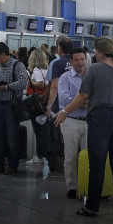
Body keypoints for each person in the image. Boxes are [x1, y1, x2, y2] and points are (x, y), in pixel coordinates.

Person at [54, 37, 113, 217]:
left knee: (97, 165)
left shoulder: (95, 69)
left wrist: (64, 111)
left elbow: (83, 95)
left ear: (100, 52)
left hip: (101, 119)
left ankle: (92, 207)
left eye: (95, 52)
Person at [0, 42, 28, 175]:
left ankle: (13, 166)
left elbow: (23, 82)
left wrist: (7, 87)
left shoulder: (17, 65)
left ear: (3, 54)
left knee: (12, 137)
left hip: (12, 105)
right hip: (0, 105)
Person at [57, 48, 89, 200]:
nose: (80, 63)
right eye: (76, 60)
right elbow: (65, 100)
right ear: (71, 62)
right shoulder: (65, 78)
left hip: (89, 122)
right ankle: (72, 187)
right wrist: (83, 102)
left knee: (89, 156)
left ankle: (88, 186)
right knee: (70, 157)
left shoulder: (91, 76)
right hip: (70, 121)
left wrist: (79, 101)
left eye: (82, 59)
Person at [45, 37, 73, 174]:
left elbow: (54, 86)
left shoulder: (57, 63)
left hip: (60, 107)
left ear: (59, 49)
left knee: (58, 137)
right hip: (75, 106)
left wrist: (48, 106)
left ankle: (59, 166)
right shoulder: (80, 61)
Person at [25, 47, 50, 166]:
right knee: (43, 130)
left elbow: (40, 84)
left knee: (38, 131)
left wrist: (30, 81)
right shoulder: (46, 70)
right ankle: (44, 154)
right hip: (45, 104)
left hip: (36, 104)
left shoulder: (36, 71)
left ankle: (39, 156)